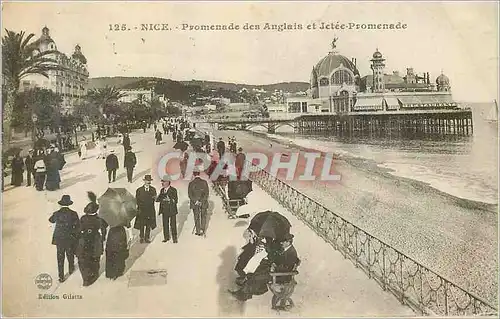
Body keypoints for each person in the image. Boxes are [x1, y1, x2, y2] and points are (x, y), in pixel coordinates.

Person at [230, 234, 299, 302]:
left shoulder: (291, 253)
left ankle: (244, 295)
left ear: (288, 242)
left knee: (257, 277)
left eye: (283, 242)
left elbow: (286, 268)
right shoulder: (287, 249)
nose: (281, 243)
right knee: (257, 273)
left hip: (281, 276)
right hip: (278, 273)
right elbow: (281, 262)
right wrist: (274, 264)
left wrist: (274, 267)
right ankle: (245, 291)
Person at [76, 192, 108, 287]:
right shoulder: (99, 219)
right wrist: (102, 238)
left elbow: (79, 229)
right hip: (95, 241)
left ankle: (85, 279)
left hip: (84, 241)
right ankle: (94, 275)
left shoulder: (83, 218)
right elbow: (104, 228)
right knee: (95, 259)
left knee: (83, 260)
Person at [49, 195, 80, 283]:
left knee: (60, 257)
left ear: (61, 204)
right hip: (69, 238)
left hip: (59, 238)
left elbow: (51, 220)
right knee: (70, 254)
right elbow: (78, 226)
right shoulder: (73, 213)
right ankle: (71, 268)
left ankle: (61, 276)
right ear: (69, 204)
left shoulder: (57, 213)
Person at [134, 175, 157, 243]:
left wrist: (155, 198)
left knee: (148, 224)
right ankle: (141, 237)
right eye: (147, 180)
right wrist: (140, 206)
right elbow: (137, 200)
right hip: (142, 210)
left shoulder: (153, 189)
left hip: (150, 209)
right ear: (144, 181)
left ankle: (147, 237)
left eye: (149, 180)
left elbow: (154, 199)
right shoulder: (139, 190)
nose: (148, 182)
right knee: (141, 224)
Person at [157, 175, 178, 243]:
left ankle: (174, 238)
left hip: (172, 210)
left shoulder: (173, 190)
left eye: (164, 182)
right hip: (164, 210)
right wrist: (157, 198)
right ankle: (166, 237)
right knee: (165, 224)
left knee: (173, 225)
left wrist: (170, 199)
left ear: (168, 182)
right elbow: (159, 199)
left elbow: (176, 200)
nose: (162, 183)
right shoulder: (162, 190)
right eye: (162, 182)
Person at [188, 169, 209, 236]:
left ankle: (198, 231)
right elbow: (207, 194)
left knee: (196, 216)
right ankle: (203, 230)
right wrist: (201, 201)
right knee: (203, 216)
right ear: (199, 174)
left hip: (195, 203)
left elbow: (190, 195)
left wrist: (196, 201)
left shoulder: (191, 183)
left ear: (193, 174)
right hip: (203, 203)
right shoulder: (204, 182)